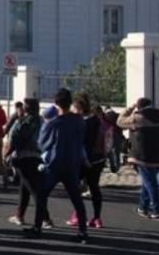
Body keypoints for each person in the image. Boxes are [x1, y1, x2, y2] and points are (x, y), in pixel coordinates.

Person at [25, 89, 88, 244]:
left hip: (54, 164)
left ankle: (37, 227)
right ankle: (82, 231)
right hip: (72, 162)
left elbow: (42, 144)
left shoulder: (53, 123)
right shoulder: (79, 120)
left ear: (56, 104)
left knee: (41, 195)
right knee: (76, 199)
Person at [118, 97, 159, 221]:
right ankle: (142, 207)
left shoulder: (137, 118)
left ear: (139, 107)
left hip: (142, 157)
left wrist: (130, 108)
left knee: (151, 183)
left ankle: (156, 211)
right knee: (148, 182)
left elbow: (120, 121)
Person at [5, 98, 52, 228]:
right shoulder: (43, 122)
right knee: (24, 187)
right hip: (38, 157)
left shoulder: (23, 121)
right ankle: (19, 215)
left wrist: (7, 154)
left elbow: (14, 137)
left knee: (33, 189)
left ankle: (45, 219)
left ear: (26, 109)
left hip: (23, 158)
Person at [65, 95, 108, 229]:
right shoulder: (97, 120)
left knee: (74, 187)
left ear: (79, 108)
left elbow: (80, 143)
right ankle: (97, 218)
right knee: (94, 187)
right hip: (98, 159)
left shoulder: (81, 122)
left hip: (83, 159)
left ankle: (77, 214)